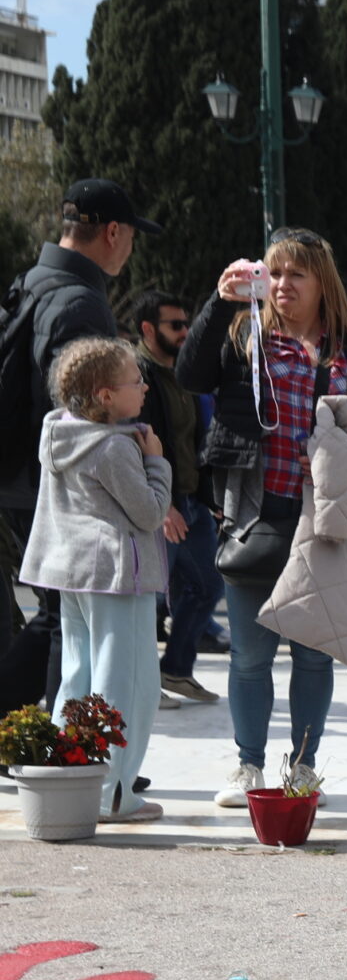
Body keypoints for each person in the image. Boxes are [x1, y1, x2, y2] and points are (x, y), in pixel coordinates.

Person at [178, 229, 347, 807]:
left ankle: (304, 767)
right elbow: (191, 375)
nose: (283, 285)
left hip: (322, 516)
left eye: (296, 274)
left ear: (322, 283)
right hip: (253, 513)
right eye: (275, 272)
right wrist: (221, 302)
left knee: (314, 653)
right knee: (250, 653)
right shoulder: (245, 333)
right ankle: (248, 766)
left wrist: (343, 463)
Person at [1, 180, 157, 704]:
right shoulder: (80, 304)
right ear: (113, 232)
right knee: (60, 622)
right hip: (54, 486)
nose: (131, 246)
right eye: (132, 235)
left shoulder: (34, 281)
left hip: (23, 476)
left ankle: (67, 752)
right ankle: (67, 756)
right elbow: (84, 411)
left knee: (57, 617)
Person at [14, 337, 172, 819]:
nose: (144, 387)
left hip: (74, 573)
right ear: (105, 396)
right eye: (134, 381)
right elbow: (148, 513)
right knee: (128, 684)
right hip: (118, 575)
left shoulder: (57, 431)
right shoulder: (116, 448)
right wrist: (157, 462)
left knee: (77, 678)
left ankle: (72, 782)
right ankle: (114, 793)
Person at [133, 290, 219, 707]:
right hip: (160, 506)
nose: (185, 332)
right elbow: (136, 443)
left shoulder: (184, 373)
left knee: (207, 585)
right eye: (175, 325)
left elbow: (193, 440)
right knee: (150, 596)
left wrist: (209, 496)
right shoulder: (137, 376)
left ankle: (176, 670)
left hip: (191, 501)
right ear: (148, 330)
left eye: (187, 323)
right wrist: (161, 504)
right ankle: (149, 682)